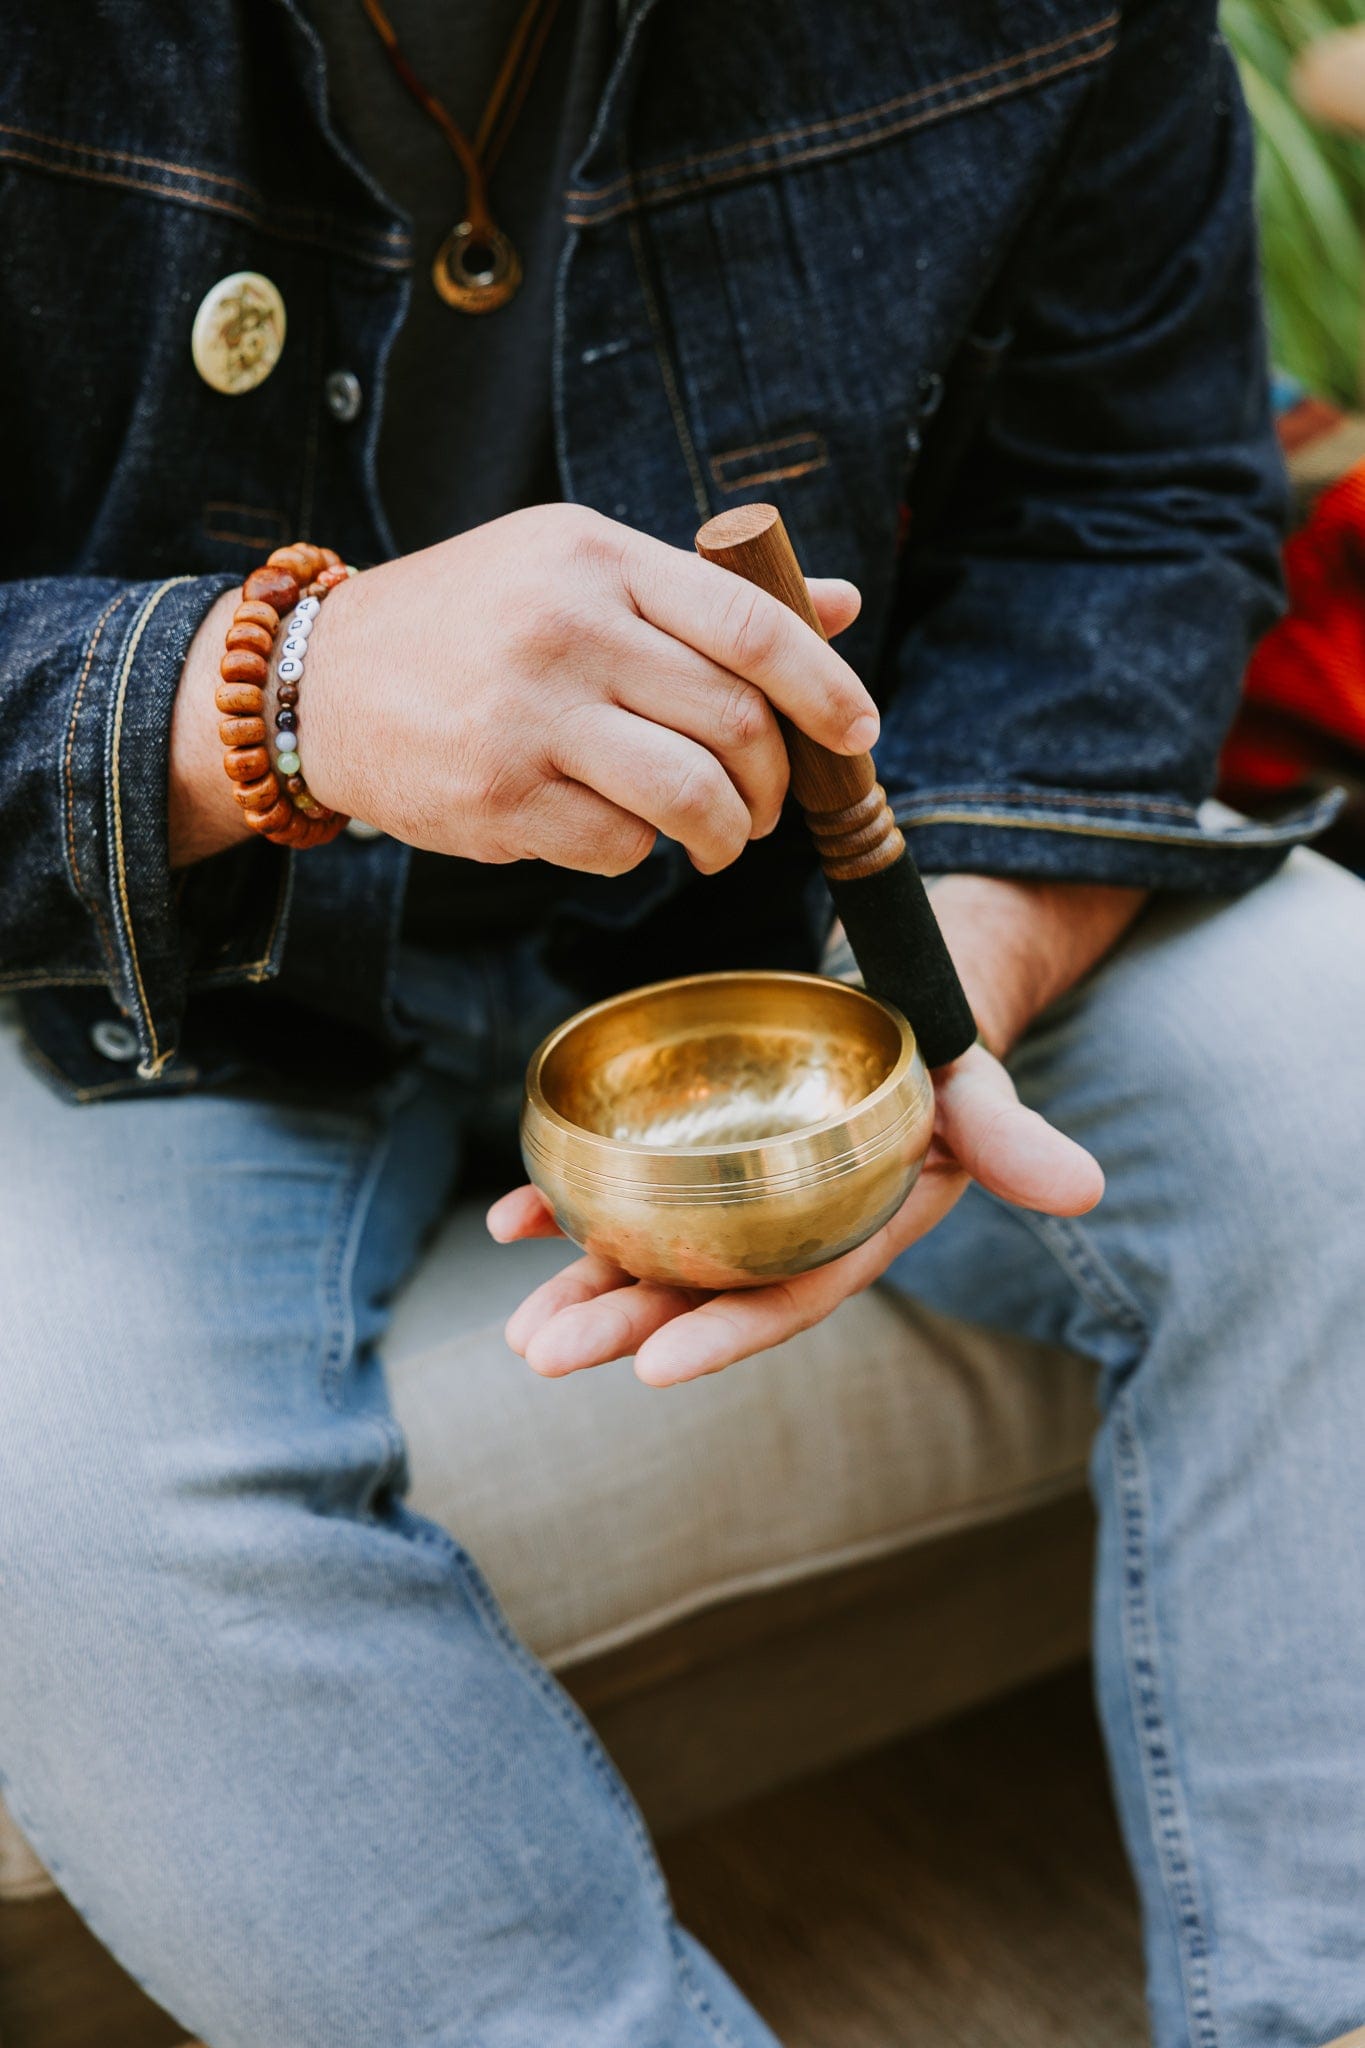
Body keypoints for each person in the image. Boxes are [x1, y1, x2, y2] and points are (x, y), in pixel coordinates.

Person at [2, 2, 1363, 2045]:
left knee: (1322, 1048)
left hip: (811, 890)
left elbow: (1136, 500)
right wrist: (271, 696)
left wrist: (945, 973)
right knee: (46, 1476)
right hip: (155, 962)